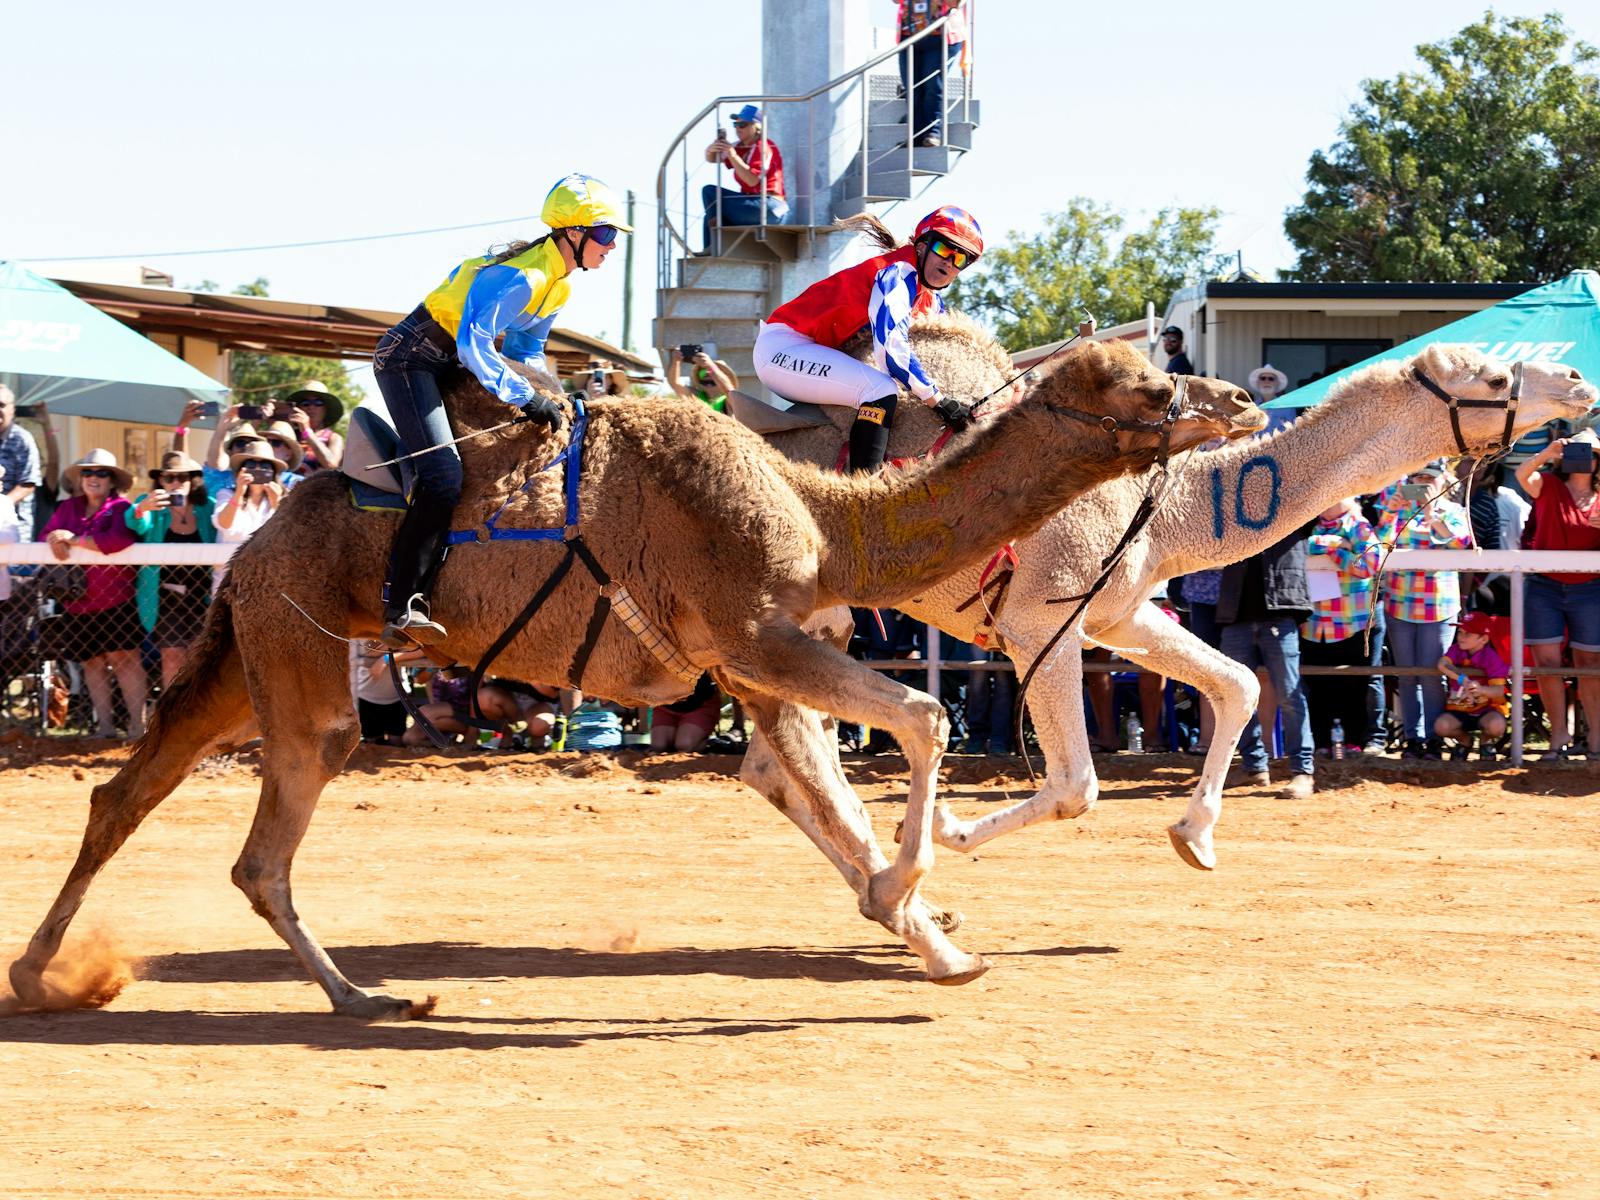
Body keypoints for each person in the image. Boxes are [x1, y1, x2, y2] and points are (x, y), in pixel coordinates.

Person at [372, 173, 629, 647]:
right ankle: (401, 601)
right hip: (410, 360)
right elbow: (475, 346)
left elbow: (527, 352)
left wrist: (550, 395)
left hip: (450, 364)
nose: (611, 246)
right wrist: (524, 397)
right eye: (606, 234)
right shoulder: (523, 276)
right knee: (444, 476)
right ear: (573, 232)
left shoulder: (560, 285)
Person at [754, 207, 983, 473]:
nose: (949, 262)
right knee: (879, 389)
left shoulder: (929, 298)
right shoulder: (897, 273)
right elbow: (891, 350)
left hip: (811, 351)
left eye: (960, 259)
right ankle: (864, 489)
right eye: (944, 250)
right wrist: (938, 401)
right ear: (921, 245)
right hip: (783, 349)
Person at [41, 449, 149, 739]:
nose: (93, 478)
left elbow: (118, 540)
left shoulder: (121, 507)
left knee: (126, 660)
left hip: (117, 599)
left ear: (112, 480)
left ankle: (139, 728)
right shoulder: (68, 508)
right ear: (80, 479)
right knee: (91, 662)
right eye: (88, 472)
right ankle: (105, 728)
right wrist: (55, 538)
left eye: (102, 473)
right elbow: (46, 537)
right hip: (77, 602)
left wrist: (73, 540)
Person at [1374, 461, 1474, 758]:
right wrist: (1391, 510)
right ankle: (1413, 738)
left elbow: (1460, 543)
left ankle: (1434, 736)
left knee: (1433, 674)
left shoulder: (1454, 512)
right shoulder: (1398, 508)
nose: (1423, 482)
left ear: (1443, 480)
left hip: (1439, 605)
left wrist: (1431, 514)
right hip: (1399, 602)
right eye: (1418, 477)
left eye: (1429, 478)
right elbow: (1378, 543)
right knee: (1407, 675)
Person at [1513, 428, 1600, 760]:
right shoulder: (1547, 485)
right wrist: (1548, 452)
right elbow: (1523, 474)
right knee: (1546, 664)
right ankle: (1558, 737)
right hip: (1544, 586)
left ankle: (1596, 740)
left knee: (1590, 662)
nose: (1585, 459)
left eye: (1591, 453)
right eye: (1579, 452)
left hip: (1590, 588)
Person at [1217, 527, 1315, 798]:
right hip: (1239, 615)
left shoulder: (1295, 503)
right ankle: (1254, 766)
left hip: (1278, 612)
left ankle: (1301, 770)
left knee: (1289, 695)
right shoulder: (1233, 506)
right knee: (1236, 696)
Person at [126, 451, 217, 688]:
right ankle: (171, 717)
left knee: (201, 658)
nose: (176, 483)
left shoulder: (207, 507)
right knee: (172, 657)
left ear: (192, 480)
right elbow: (135, 523)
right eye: (169, 478)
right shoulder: (151, 505)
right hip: (164, 596)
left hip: (203, 596)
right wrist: (141, 508)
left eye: (182, 477)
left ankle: (199, 718)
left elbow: (226, 526)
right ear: (160, 481)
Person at [1299, 497, 1382, 754]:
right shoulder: (1306, 522)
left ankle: (1354, 741)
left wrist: (1336, 553)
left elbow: (1370, 563)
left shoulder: (1359, 525)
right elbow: (1297, 549)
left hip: (1349, 620)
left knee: (1353, 685)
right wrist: (1334, 545)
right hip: (1314, 621)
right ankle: (1321, 743)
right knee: (1316, 686)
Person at [700, 104, 788, 253]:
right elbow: (712, 159)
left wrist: (732, 154)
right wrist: (711, 149)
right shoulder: (740, 147)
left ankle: (714, 246)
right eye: (736, 124)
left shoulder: (764, 146)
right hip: (754, 204)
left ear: (757, 127)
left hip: (770, 206)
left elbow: (752, 180)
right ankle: (715, 248)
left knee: (710, 193)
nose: (738, 128)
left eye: (743, 124)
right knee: (711, 212)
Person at [1433, 610, 1510, 760]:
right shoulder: (1455, 650)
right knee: (1441, 726)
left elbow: (1499, 691)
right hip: (1458, 708)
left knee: (1496, 726)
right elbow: (1442, 664)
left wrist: (1481, 690)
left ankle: (1485, 741)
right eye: (1460, 632)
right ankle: (1464, 740)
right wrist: (1463, 680)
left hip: (1486, 709)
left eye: (1468, 634)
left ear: (1484, 639)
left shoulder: (1491, 657)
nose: (1461, 637)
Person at [897, 0, 966, 146]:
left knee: (933, 84)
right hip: (909, 33)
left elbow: (955, 3)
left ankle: (933, 132)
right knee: (912, 87)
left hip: (940, 35)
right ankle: (916, 135)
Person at [213, 439, 288, 544]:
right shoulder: (226, 494)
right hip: (229, 559)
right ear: (241, 471)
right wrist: (239, 494)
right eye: (251, 464)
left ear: (273, 472)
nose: (258, 469)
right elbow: (223, 524)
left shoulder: (282, 497)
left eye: (265, 466)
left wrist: (277, 503)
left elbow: (289, 531)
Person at [0, 384, 43, 540]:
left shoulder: (22, 439)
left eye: (2, 405)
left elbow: (28, 484)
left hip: (14, 531)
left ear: (12, 409)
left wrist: (2, 505)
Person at [649, 671, 723, 752]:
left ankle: (711, 744)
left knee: (685, 745)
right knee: (658, 747)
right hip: (666, 705)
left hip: (700, 704)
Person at [282, 382, 344, 472]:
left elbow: (332, 464)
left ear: (326, 409)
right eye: (306, 403)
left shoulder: (333, 438)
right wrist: (260, 417)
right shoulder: (289, 434)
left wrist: (306, 431)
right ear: (299, 408)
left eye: (318, 403)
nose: (311, 407)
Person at [668, 348, 738, 413]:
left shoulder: (729, 400)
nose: (707, 373)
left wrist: (711, 366)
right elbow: (675, 383)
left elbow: (729, 391)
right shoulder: (695, 396)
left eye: (711, 372)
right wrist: (675, 361)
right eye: (703, 371)